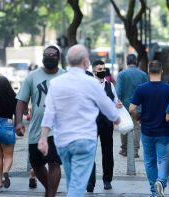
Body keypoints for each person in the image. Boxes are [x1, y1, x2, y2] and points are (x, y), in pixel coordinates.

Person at [38, 44, 120, 197]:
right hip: (84, 140)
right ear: (85, 61)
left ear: (68, 61)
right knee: (77, 186)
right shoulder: (91, 83)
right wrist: (117, 118)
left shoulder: (56, 83)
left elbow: (49, 112)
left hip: (63, 141)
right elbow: (109, 108)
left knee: (72, 181)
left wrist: (43, 137)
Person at [15, 45, 65, 197]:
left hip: (58, 129)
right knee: (36, 165)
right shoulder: (32, 76)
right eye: (46, 55)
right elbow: (21, 101)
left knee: (54, 163)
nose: (49, 57)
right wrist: (18, 122)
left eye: (53, 55)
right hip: (36, 129)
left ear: (58, 58)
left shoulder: (65, 76)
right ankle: (50, 191)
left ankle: (50, 195)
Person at [129, 60, 169, 197]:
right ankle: (161, 181)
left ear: (148, 72)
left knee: (150, 161)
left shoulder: (141, 89)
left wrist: (138, 117)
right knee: (164, 159)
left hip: (147, 130)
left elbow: (132, 108)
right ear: (161, 71)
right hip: (164, 131)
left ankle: (154, 192)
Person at [86, 60, 122, 192]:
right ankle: (90, 182)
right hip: (91, 123)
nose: (102, 71)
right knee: (90, 152)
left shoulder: (109, 85)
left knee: (107, 152)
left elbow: (115, 101)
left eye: (104, 68)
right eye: (100, 69)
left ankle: (107, 180)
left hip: (106, 123)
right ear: (94, 70)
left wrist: (117, 105)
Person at [116, 54, 148, 157]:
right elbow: (146, 90)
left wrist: (118, 103)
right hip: (138, 106)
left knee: (124, 126)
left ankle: (124, 149)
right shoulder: (143, 74)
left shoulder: (121, 74)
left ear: (127, 62)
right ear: (136, 62)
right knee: (137, 127)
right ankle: (135, 150)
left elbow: (118, 92)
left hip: (124, 106)